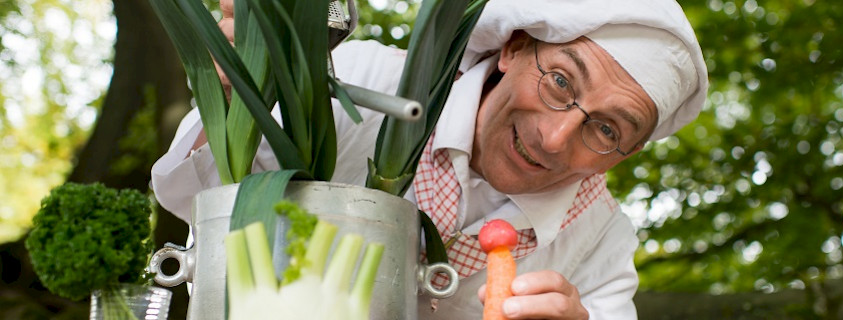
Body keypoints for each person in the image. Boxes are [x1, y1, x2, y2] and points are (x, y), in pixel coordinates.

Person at [151, 0, 708, 318]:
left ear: (627, 154)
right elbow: (185, 195)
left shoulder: (601, 241)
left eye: (608, 129)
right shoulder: (362, 81)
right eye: (560, 81)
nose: (557, 137)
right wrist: (233, 102)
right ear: (513, 48)